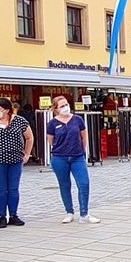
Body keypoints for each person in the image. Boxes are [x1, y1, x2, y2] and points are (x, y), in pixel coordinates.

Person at [46, 96, 99, 224]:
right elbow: (51, 140)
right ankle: (69, 212)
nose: (65, 108)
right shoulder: (52, 124)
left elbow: (84, 136)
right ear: (56, 109)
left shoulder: (77, 120)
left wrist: (82, 150)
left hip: (77, 156)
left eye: (66, 105)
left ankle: (84, 213)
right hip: (60, 158)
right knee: (64, 185)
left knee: (84, 183)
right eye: (62, 106)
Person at [0, 97, 32, 229]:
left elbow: (29, 137)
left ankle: (13, 215)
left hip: (16, 160)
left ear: (6, 110)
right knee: (1, 189)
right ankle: (2, 216)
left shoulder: (20, 121)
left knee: (13, 188)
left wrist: (27, 154)